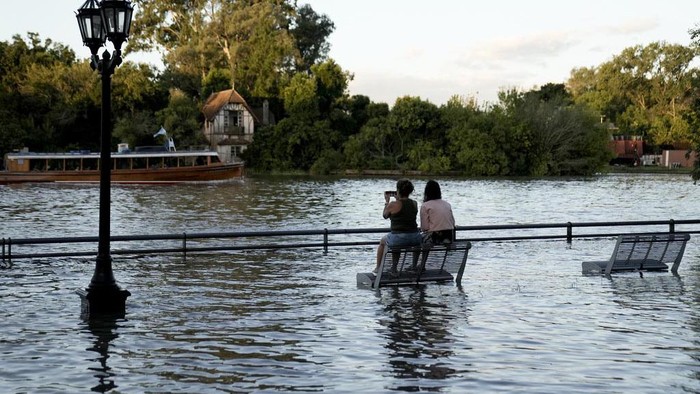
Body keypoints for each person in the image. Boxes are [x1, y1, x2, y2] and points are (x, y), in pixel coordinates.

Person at [375, 179, 422, 272]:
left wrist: (387, 202)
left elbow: (385, 215)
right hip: (415, 238)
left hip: (398, 238)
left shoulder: (393, 204)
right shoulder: (414, 203)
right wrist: (398, 199)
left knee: (384, 241)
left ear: (398, 190)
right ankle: (414, 265)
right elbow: (405, 211)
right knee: (396, 239)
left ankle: (379, 268)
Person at [420, 180, 456, 244]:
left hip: (434, 237)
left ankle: (423, 254)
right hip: (449, 236)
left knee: (418, 239)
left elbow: (424, 227)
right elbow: (452, 223)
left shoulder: (425, 206)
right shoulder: (447, 204)